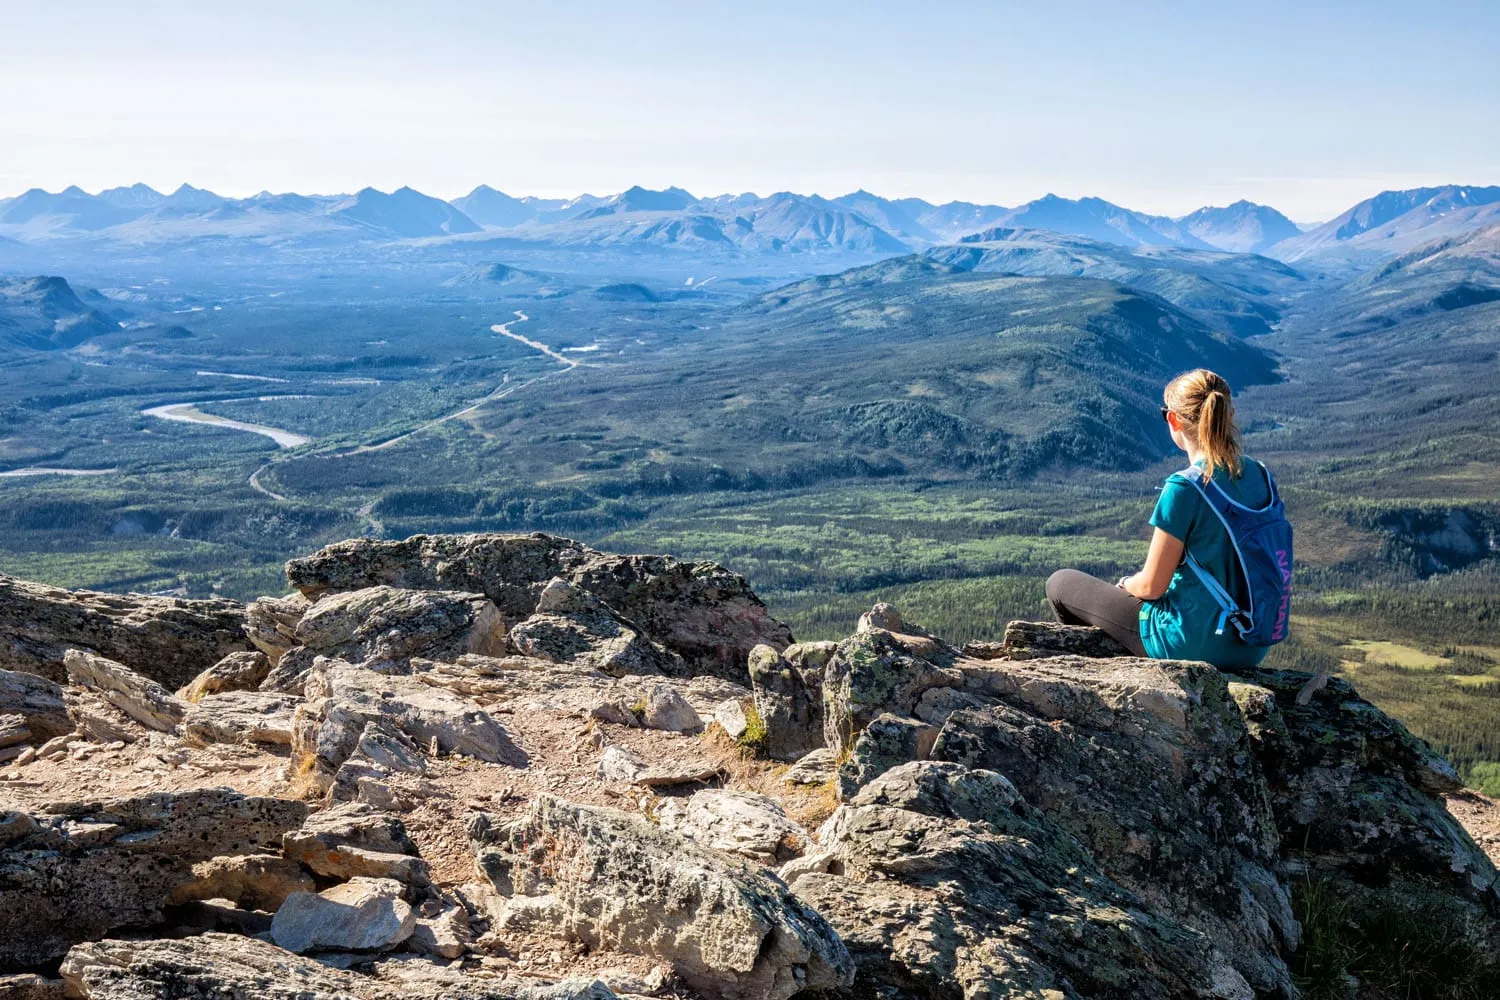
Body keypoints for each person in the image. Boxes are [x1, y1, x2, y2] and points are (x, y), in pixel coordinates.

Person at [1045, 369, 1280, 669]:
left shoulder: (1185, 487)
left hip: (1194, 643)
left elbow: (1152, 587)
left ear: (1173, 420)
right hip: (1251, 641)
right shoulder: (1261, 476)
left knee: (1061, 583)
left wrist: (1124, 584)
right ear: (1229, 412)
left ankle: (1087, 678)